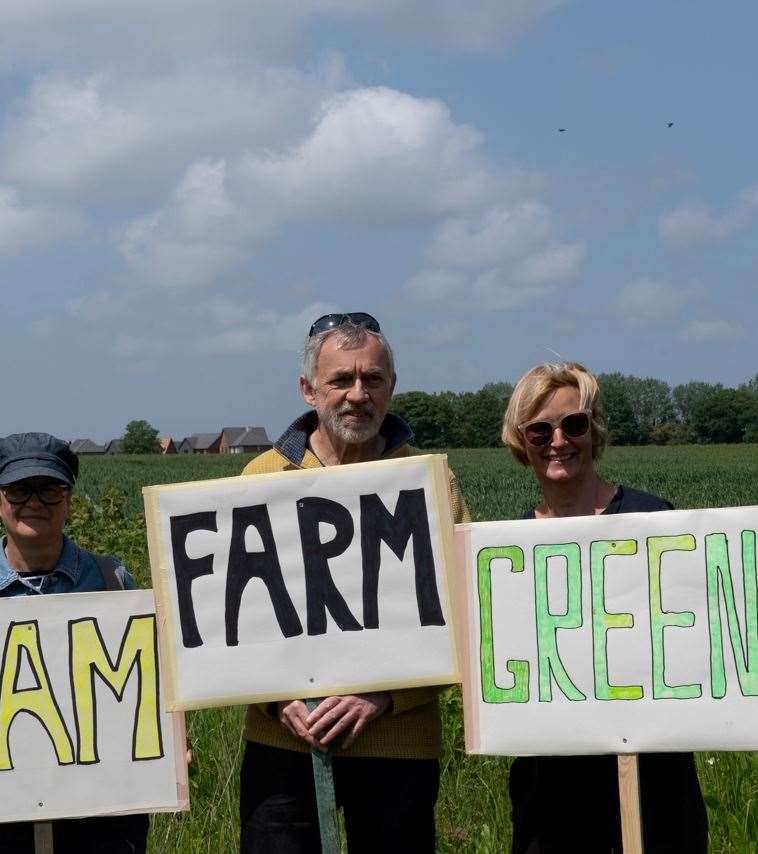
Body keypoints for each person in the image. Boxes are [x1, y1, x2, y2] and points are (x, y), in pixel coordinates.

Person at [238, 312, 471, 854]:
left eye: (373, 379)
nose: (357, 395)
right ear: (309, 389)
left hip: (398, 743)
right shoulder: (258, 479)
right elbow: (235, 612)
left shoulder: (433, 480)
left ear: (392, 385)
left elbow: (464, 613)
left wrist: (385, 697)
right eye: (341, 380)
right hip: (282, 741)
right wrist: (275, 700)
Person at [500, 361, 708, 854]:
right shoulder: (507, 550)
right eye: (539, 430)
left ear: (594, 432)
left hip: (655, 780)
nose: (558, 441)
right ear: (520, 441)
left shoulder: (654, 520)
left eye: (574, 424)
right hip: (550, 787)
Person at [0, 432, 147, 854]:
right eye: (18, 490)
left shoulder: (112, 581)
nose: (35, 502)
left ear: (68, 501)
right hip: (0, 806)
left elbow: (147, 678)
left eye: (50, 489)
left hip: (103, 805)